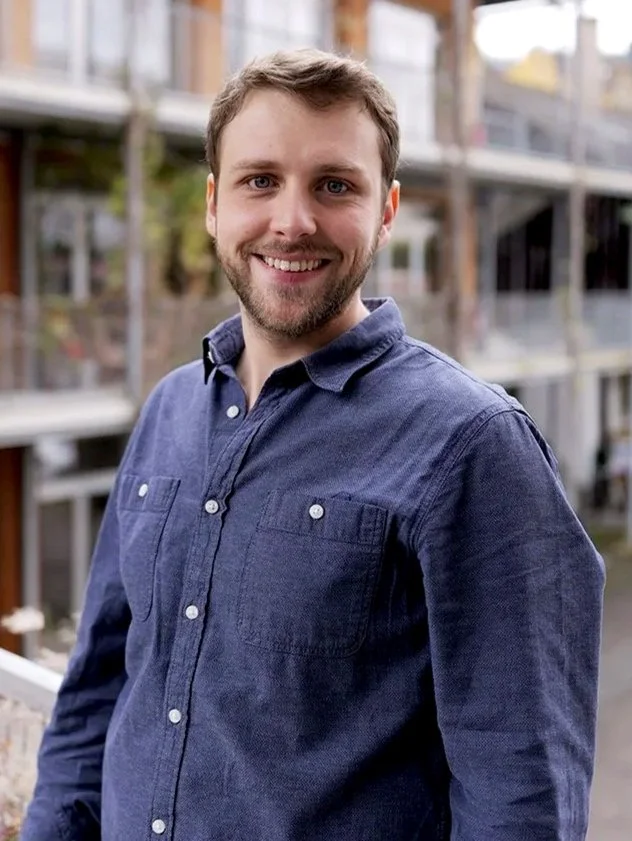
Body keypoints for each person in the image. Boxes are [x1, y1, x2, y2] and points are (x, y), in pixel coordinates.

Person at [22, 49, 605, 841]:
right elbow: (95, 696)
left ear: (388, 209)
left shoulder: (473, 446)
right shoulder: (168, 411)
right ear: (213, 205)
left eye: (335, 185)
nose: (292, 220)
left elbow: (523, 796)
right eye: (260, 180)